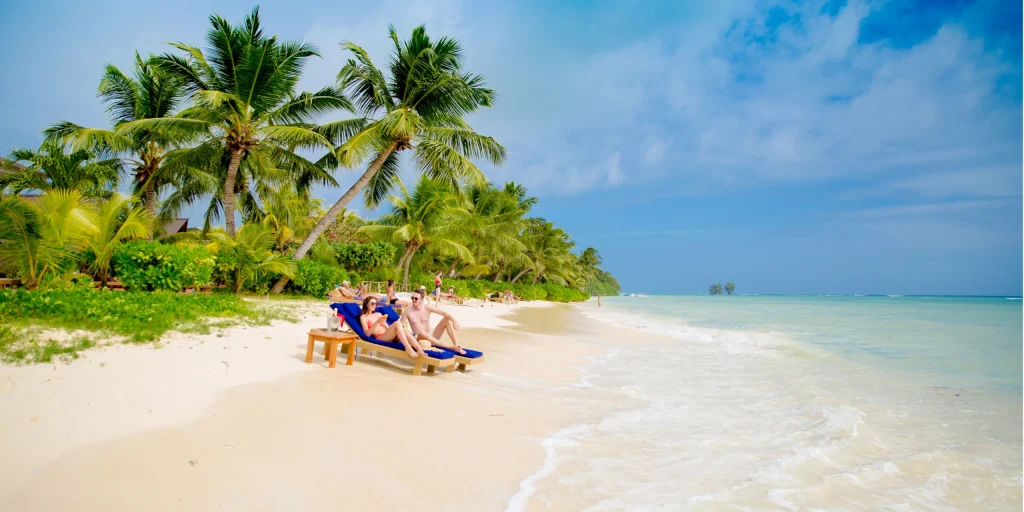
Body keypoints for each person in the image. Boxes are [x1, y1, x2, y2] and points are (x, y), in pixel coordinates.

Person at [359, 297, 425, 358]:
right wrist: (377, 323)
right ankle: (407, 347)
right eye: (372, 303)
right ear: (366, 304)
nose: (374, 305)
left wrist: (384, 323)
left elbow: (388, 328)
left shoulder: (378, 314)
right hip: (381, 337)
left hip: (389, 336)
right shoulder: (364, 317)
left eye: (376, 303)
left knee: (404, 329)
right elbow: (367, 334)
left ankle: (419, 349)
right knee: (397, 323)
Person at [404, 289, 466, 355]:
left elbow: (443, 312)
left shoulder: (427, 308)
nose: (413, 300)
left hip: (431, 335)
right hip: (419, 338)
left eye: (416, 298)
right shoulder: (408, 311)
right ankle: (450, 347)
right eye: (412, 298)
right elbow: (401, 325)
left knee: (447, 320)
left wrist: (454, 320)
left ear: (422, 299)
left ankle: (456, 345)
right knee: (422, 333)